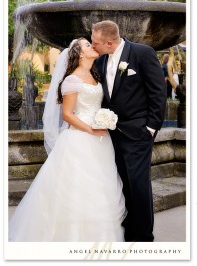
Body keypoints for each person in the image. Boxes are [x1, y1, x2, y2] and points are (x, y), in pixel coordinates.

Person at [9, 38, 126, 242]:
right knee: (77, 190)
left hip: (100, 140)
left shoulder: (94, 74)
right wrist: (92, 129)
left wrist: (103, 122)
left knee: (99, 189)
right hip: (80, 140)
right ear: (80, 54)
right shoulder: (72, 79)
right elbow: (68, 114)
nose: (93, 46)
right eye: (88, 45)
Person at [91, 20, 167, 242]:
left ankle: (143, 236)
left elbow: (158, 92)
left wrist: (151, 127)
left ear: (109, 42)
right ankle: (128, 230)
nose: (93, 46)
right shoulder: (102, 60)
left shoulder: (142, 53)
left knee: (138, 184)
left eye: (96, 43)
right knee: (121, 182)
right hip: (112, 134)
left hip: (138, 132)